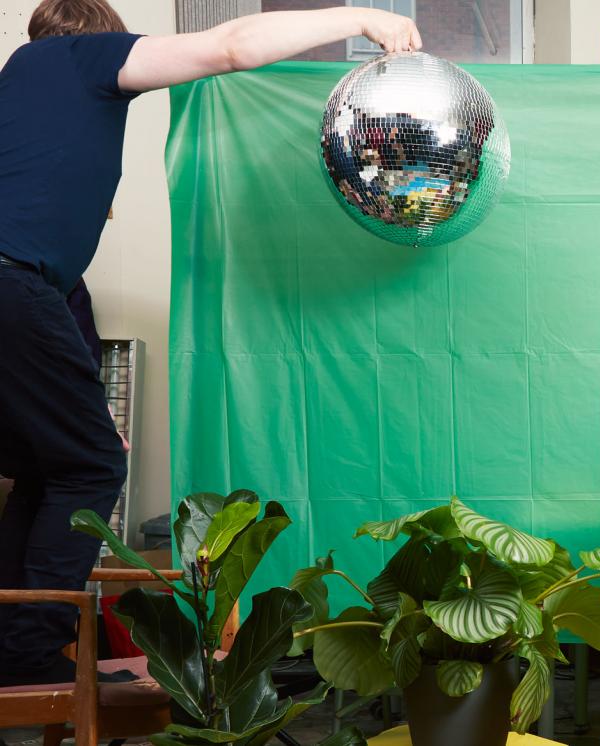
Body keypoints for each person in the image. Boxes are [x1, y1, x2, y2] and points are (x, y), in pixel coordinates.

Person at [0, 0, 421, 686]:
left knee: (48, 468)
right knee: (86, 469)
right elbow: (230, 46)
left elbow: (58, 293)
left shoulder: (20, 95)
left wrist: (89, 412)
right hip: (13, 286)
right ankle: (26, 662)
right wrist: (360, 16)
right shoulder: (76, 56)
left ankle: (12, 651)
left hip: (21, 290)